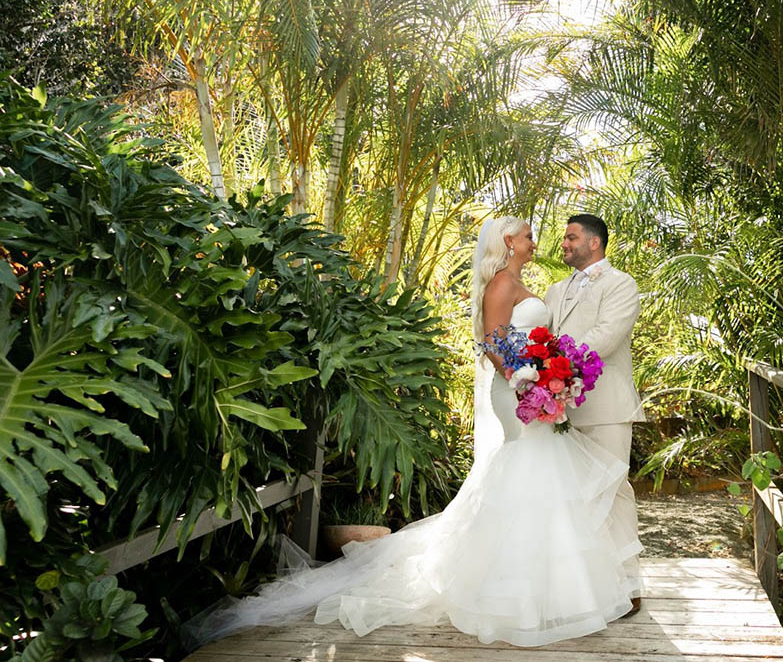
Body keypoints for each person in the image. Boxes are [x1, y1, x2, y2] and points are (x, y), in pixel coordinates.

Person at [184, 215, 641, 649]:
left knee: (563, 485)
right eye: (527, 236)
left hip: (557, 393)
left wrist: (549, 376)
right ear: (507, 243)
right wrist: (527, 378)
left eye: (564, 237)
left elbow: (559, 338)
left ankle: (568, 583)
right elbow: (493, 341)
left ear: (594, 242)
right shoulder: (511, 285)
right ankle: (525, 590)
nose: (539, 242)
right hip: (523, 391)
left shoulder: (567, 285)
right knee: (528, 474)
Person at [545, 213, 646, 615]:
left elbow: (606, 335)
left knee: (614, 492)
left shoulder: (621, 284)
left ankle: (629, 585)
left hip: (605, 406)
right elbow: (544, 337)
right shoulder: (554, 290)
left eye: (571, 237)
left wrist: (555, 365)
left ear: (595, 242)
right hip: (561, 410)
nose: (564, 244)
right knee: (573, 496)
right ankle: (586, 587)